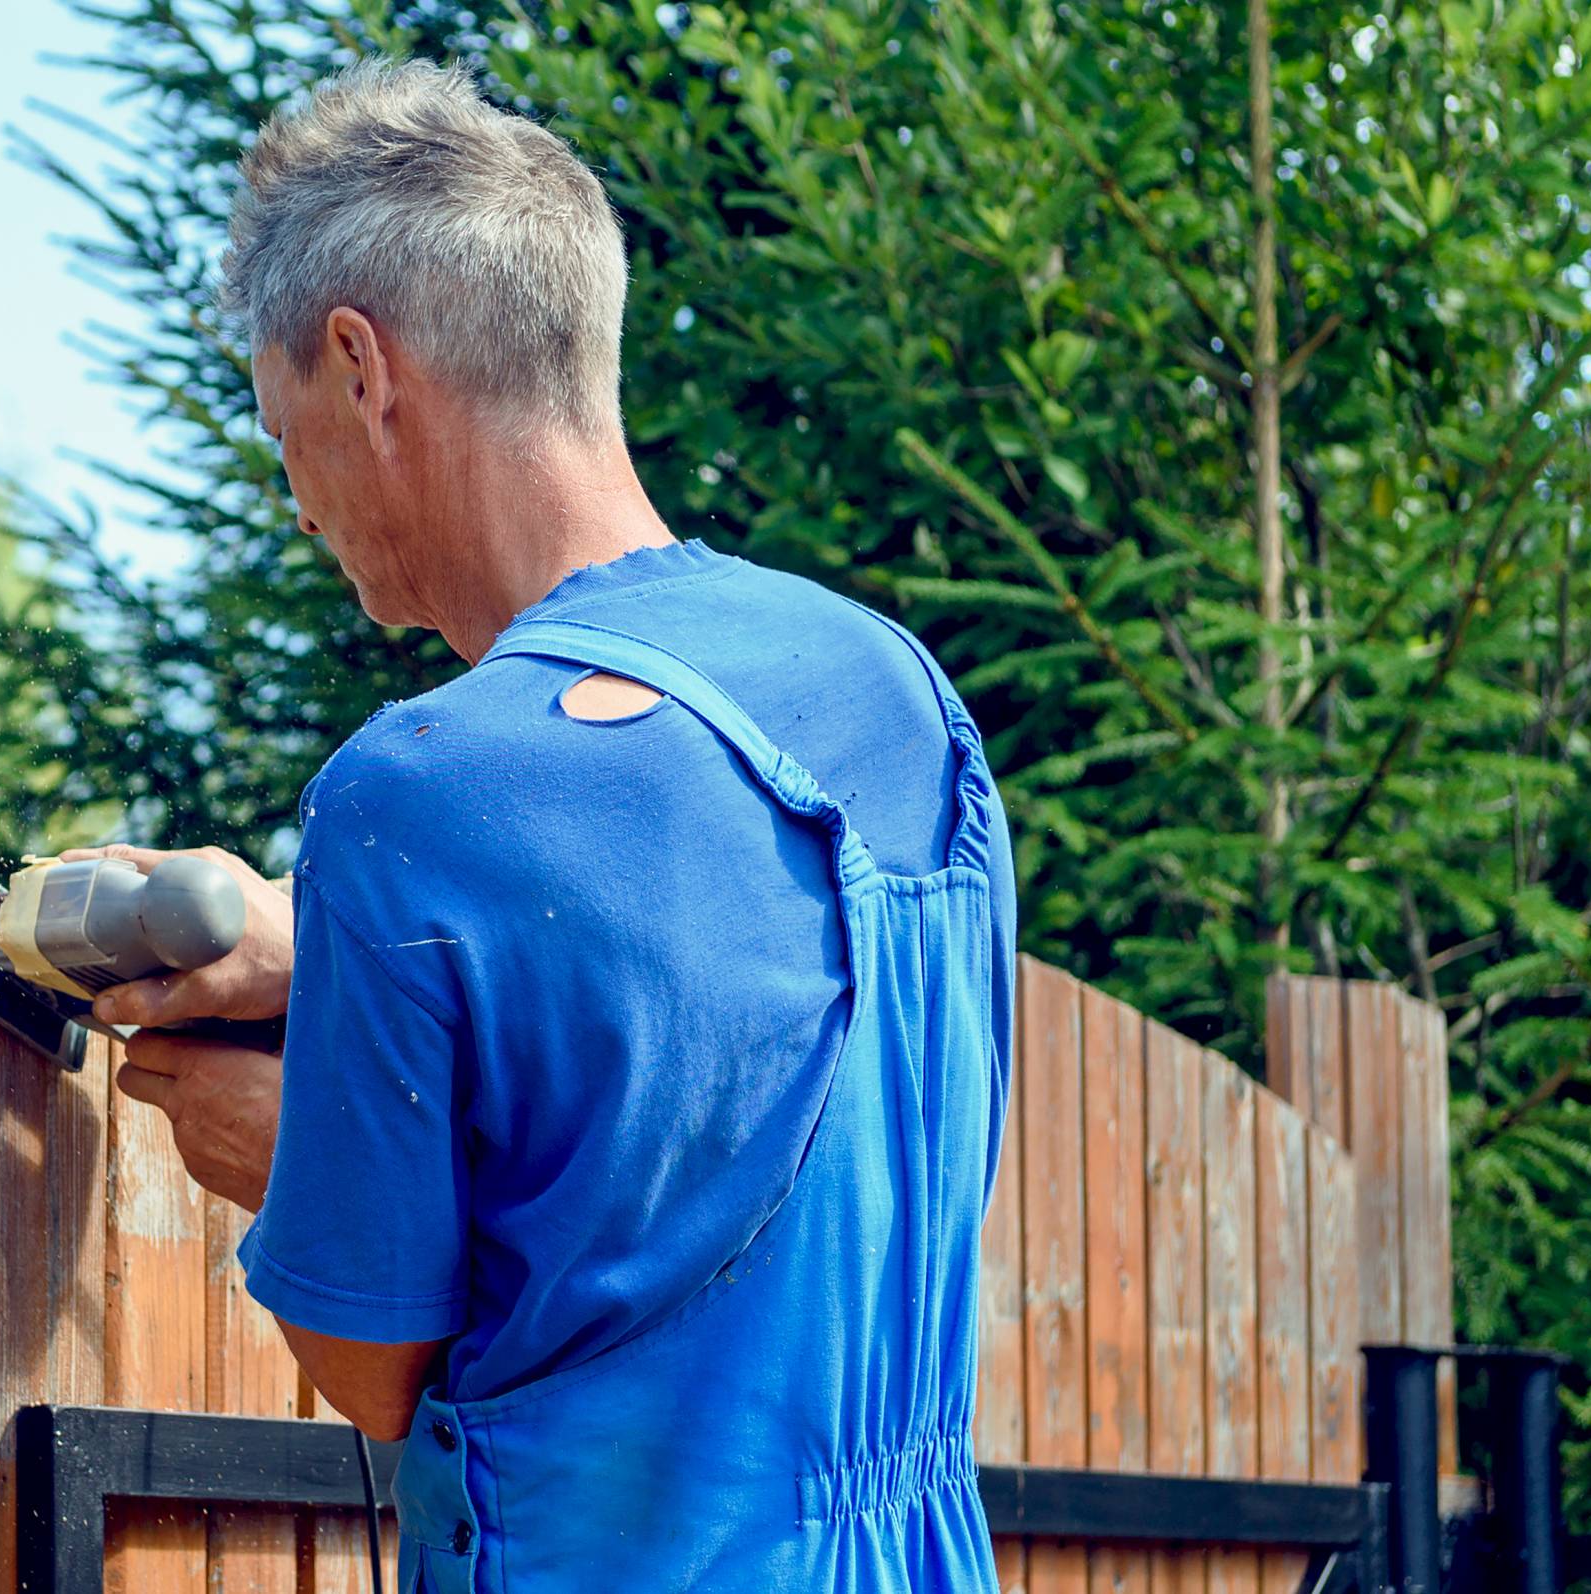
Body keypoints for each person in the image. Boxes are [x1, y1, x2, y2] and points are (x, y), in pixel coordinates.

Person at [65, 56, 1015, 1593]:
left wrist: (301, 1144)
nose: (296, 499)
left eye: (279, 420)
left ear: (363, 369)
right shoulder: (896, 695)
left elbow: (373, 1364)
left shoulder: (417, 797)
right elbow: (723, 1016)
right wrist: (326, 959)